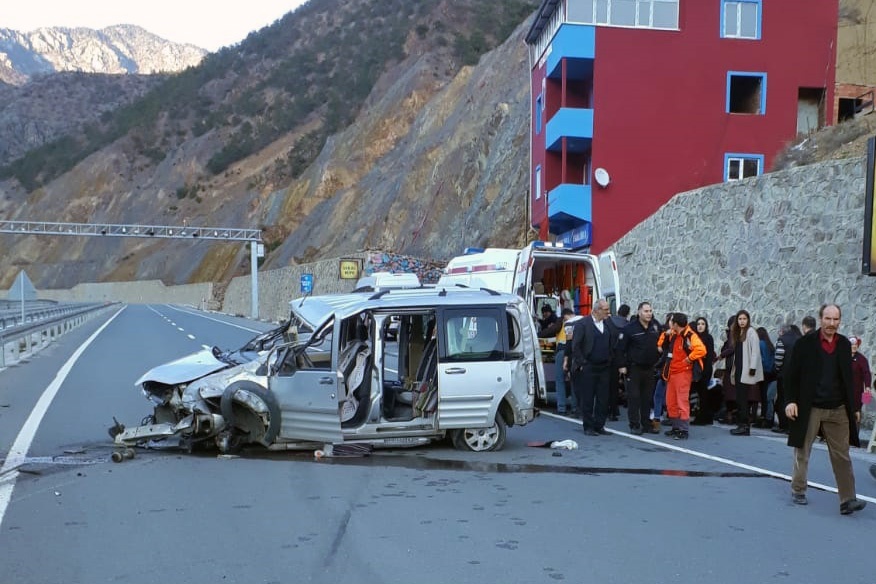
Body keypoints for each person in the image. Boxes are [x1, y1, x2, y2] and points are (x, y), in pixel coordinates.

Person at [784, 303, 866, 515]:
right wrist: (790, 401)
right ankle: (798, 489)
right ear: (821, 319)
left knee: (842, 455)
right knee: (803, 449)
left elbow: (848, 379)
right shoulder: (805, 344)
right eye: (828, 319)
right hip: (811, 406)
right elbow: (791, 375)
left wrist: (854, 406)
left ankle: (847, 499)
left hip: (837, 407)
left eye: (835, 319)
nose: (831, 324)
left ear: (840, 321)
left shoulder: (843, 345)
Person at [570, 298, 620, 436]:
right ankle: (588, 426)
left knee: (603, 398)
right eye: (606, 310)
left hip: (604, 366)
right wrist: (582, 363)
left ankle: (600, 425)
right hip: (589, 366)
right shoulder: (583, 324)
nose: (608, 313)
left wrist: (610, 359)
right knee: (588, 398)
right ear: (597, 310)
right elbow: (576, 346)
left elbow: (612, 342)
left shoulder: (608, 324)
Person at [617, 301, 662, 435]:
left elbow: (662, 340)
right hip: (634, 368)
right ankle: (635, 424)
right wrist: (621, 365)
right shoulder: (629, 329)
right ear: (639, 312)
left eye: (650, 311)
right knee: (634, 397)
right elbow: (620, 349)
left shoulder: (655, 326)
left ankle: (646, 423)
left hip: (649, 368)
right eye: (646, 311)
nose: (649, 314)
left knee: (647, 398)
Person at [661, 312, 706, 440]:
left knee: (682, 402)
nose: (669, 324)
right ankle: (675, 428)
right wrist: (666, 334)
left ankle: (683, 430)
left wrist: (689, 359)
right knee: (671, 402)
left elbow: (702, 349)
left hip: (683, 373)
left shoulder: (690, 335)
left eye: (671, 322)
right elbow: (660, 345)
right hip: (672, 373)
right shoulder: (674, 335)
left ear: (675, 324)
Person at [729, 309, 763, 436]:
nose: (742, 321)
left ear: (748, 320)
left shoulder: (751, 332)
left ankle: (744, 425)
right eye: (740, 319)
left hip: (746, 370)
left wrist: (753, 367)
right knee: (739, 398)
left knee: (743, 398)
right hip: (739, 369)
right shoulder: (738, 333)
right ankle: (741, 424)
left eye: (744, 319)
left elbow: (755, 350)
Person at [772, 323, 803, 434]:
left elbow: (778, 359)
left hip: (784, 375)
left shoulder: (782, 340)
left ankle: (783, 425)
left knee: (782, 399)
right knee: (794, 399)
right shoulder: (800, 339)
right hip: (798, 375)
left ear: (782, 331)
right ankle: (792, 426)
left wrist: (777, 369)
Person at [691, 317, 716, 425]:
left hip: (705, 369)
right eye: (698, 324)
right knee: (698, 394)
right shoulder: (694, 337)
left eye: (703, 324)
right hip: (696, 369)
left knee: (703, 394)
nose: (700, 326)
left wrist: (706, 370)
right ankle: (704, 416)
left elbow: (709, 354)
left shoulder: (708, 338)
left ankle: (703, 417)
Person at [652, 313, 674, 432]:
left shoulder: (680, 336)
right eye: (670, 320)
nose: (671, 323)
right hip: (665, 368)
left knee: (667, 396)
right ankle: (657, 418)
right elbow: (660, 347)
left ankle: (672, 418)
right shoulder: (665, 334)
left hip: (674, 369)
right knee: (659, 394)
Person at [553, 308, 576, 414]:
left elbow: (553, 330)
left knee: (560, 380)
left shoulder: (564, 322)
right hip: (575, 353)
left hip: (563, 350)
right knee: (574, 381)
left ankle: (561, 408)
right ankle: (575, 407)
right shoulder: (581, 322)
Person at [850, 336, 871, 438]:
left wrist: (867, 387)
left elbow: (867, 373)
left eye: (855, 345)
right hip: (843, 391)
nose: (854, 346)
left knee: (857, 412)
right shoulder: (843, 357)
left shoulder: (862, 359)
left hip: (857, 392)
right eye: (852, 345)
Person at [756, 327, 777, 428]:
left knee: (764, 396)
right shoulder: (769, 344)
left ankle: (764, 419)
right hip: (772, 373)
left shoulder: (760, 343)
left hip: (763, 372)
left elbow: (762, 359)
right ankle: (770, 418)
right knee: (769, 398)